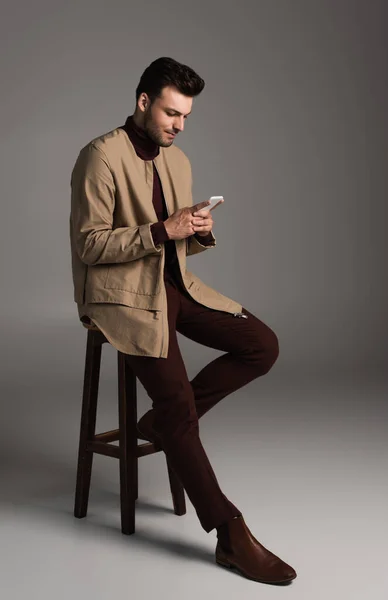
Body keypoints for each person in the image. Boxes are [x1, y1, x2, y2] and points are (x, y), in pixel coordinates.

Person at [69, 56, 297, 585]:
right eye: (172, 113)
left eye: (186, 116)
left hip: (175, 287)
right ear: (143, 102)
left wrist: (197, 227)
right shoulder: (98, 157)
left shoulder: (179, 160)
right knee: (176, 404)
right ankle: (229, 532)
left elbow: (179, 244)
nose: (178, 125)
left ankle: (162, 425)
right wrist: (159, 230)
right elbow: (88, 245)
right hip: (122, 297)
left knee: (261, 346)